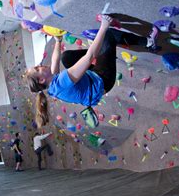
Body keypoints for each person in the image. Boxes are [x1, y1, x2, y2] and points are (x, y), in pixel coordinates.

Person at [24, 15, 158, 128]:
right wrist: (104, 26)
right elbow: (89, 57)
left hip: (91, 81)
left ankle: (106, 52)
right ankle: (149, 42)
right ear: (41, 79)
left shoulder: (51, 87)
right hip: (104, 80)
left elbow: (55, 61)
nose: (39, 65)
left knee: (66, 57)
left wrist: (58, 41)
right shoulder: (62, 82)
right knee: (108, 35)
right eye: (37, 69)